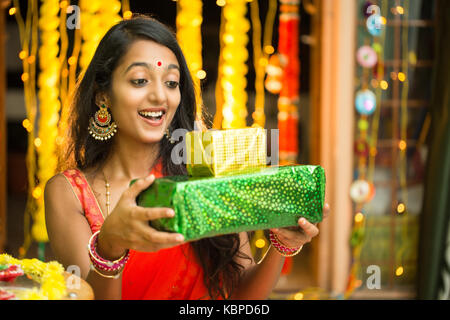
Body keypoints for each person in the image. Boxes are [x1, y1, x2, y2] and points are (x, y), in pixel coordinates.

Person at [44, 15, 329, 300]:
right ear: (102, 96)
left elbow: (243, 298)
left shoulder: (205, 164)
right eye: (140, 80)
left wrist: (282, 244)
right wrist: (109, 247)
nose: (159, 96)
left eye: (171, 82)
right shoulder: (70, 192)